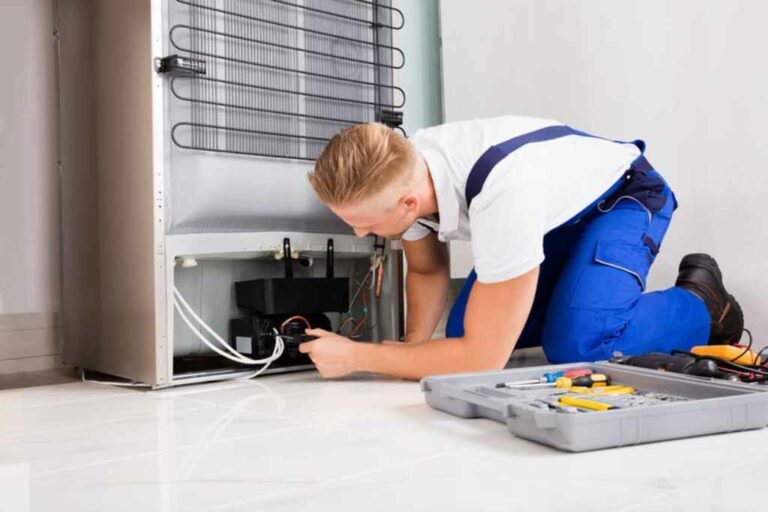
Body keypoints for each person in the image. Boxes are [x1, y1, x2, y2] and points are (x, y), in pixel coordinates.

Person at [299, 116, 744, 379]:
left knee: (581, 344)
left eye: (364, 223)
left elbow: (483, 359)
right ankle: (580, 302)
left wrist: (363, 357)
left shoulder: (503, 192)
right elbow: (427, 271)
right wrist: (407, 354)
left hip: (622, 197)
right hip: (554, 215)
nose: (360, 233)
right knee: (459, 335)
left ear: (408, 204)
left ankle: (704, 304)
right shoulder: (401, 171)